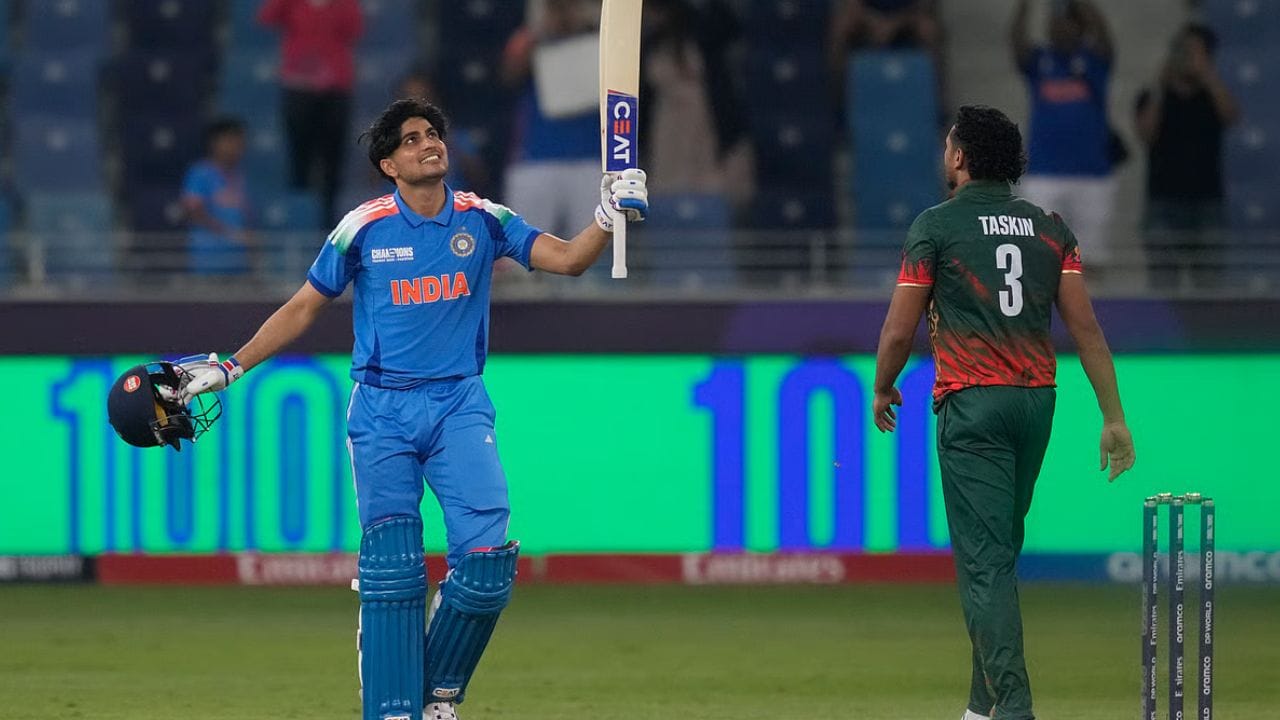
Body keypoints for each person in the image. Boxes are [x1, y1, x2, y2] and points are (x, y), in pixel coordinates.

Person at [177, 98, 649, 720]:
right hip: (381, 413)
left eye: (433, 134)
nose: (429, 143)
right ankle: (398, 702)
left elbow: (568, 260)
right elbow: (302, 307)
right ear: (389, 165)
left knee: (486, 571)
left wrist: (608, 214)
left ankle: (436, 694)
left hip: (459, 406)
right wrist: (231, 367)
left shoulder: (483, 219)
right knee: (395, 573)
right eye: (411, 139)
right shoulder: (363, 227)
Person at [871, 105, 1134, 720]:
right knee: (997, 557)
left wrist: (883, 387)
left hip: (972, 406)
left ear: (961, 158)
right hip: (1035, 404)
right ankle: (980, 708)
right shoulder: (1050, 229)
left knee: (984, 564)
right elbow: (1088, 331)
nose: (945, 154)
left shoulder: (936, 226)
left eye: (948, 146)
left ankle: (1014, 710)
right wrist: (1114, 417)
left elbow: (898, 331)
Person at [1011, 0, 1118, 272]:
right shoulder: (1040, 61)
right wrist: (1024, 6)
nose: (1055, 26)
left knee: (1091, 262)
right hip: (1043, 176)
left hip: (1092, 177)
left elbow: (1105, 36)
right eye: (1052, 20)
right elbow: (1017, 44)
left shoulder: (1095, 61)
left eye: (1063, 21)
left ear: (1079, 27)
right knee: (1038, 260)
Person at [1134, 24, 1240, 293]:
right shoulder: (1154, 96)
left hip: (1207, 202)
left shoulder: (1212, 95)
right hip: (1163, 201)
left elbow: (1231, 116)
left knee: (1209, 286)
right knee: (1163, 284)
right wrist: (1160, 87)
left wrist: (1208, 76)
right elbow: (1145, 134)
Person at [258, 0, 363, 226]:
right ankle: (300, 216)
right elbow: (267, 16)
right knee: (300, 156)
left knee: (332, 157)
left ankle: (329, 219)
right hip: (299, 85)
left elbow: (355, 27)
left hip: (334, 86)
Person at [181, 117, 252, 277]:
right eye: (230, 140)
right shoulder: (200, 173)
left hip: (238, 264)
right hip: (208, 262)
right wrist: (230, 234)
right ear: (214, 142)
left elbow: (246, 218)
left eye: (239, 141)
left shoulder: (240, 176)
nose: (236, 147)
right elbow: (193, 212)